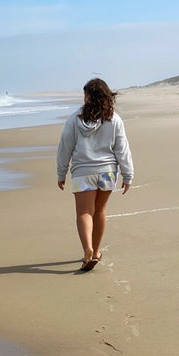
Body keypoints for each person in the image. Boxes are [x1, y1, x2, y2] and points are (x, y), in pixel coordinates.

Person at [56, 78, 134, 271]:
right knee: (99, 211)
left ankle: (87, 249)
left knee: (84, 213)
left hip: (83, 173)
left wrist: (61, 172)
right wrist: (128, 174)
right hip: (107, 173)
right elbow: (122, 149)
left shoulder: (75, 119)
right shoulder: (114, 119)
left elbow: (65, 147)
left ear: (89, 97)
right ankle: (97, 251)